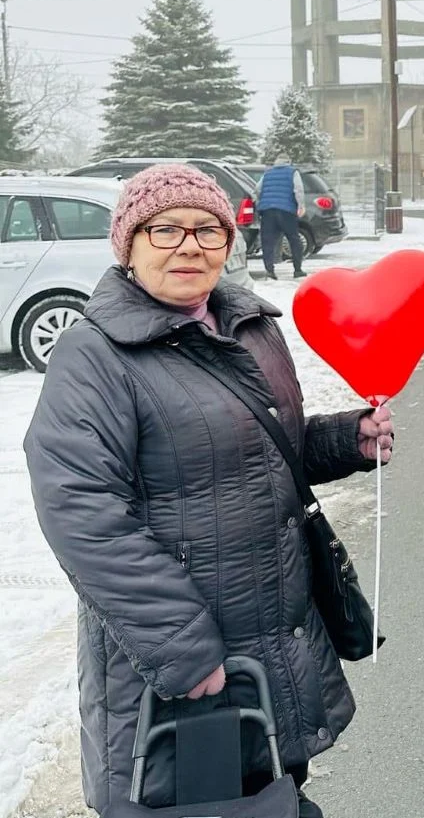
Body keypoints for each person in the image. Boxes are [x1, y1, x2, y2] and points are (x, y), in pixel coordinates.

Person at [23, 164, 394, 817]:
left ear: (228, 240)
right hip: (182, 677)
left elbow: (266, 448)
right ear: (128, 245)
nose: (188, 245)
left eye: (206, 228)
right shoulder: (96, 356)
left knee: (277, 795)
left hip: (274, 646)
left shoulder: (250, 327)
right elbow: (83, 511)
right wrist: (183, 648)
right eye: (164, 229)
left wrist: (348, 439)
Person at [256, 152, 307, 279]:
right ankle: (297, 270)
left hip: (268, 211)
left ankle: (270, 271)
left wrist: (260, 203)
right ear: (288, 162)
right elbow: (298, 190)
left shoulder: (267, 173)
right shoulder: (292, 172)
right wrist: (300, 206)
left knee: (267, 242)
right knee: (294, 239)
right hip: (286, 211)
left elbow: (257, 189)